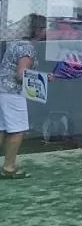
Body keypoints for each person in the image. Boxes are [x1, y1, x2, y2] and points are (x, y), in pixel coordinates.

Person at [0, 14, 47, 180]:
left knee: (2, 128)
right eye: (44, 28)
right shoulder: (27, 48)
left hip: (2, 90)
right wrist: (44, 78)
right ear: (38, 30)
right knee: (17, 130)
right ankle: (9, 167)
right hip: (12, 94)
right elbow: (21, 75)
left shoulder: (15, 44)